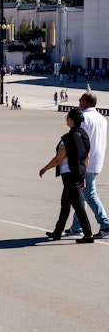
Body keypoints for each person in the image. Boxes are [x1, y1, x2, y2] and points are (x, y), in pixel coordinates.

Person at [39, 108, 96, 243]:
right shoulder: (84, 135)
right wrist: (82, 174)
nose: (66, 119)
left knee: (77, 204)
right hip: (77, 173)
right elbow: (87, 157)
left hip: (69, 175)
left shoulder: (69, 137)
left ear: (71, 120)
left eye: (67, 117)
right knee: (65, 203)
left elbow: (58, 159)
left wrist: (45, 168)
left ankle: (88, 234)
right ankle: (58, 232)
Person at [66, 92, 109, 238]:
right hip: (97, 161)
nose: (78, 102)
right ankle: (76, 226)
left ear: (85, 102)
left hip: (85, 162)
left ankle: (106, 224)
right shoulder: (102, 119)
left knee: (89, 194)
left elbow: (79, 143)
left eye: (80, 100)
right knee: (82, 195)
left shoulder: (84, 119)